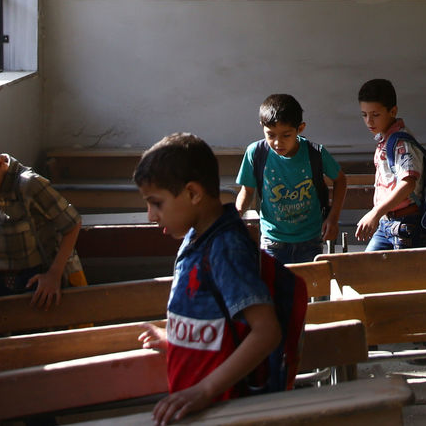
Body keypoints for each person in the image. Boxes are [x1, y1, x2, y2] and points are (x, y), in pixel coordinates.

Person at [134, 133, 284, 425]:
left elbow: (266, 332)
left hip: (222, 410)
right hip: (196, 406)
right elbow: (218, 323)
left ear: (192, 193)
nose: (151, 216)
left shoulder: (225, 246)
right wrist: (173, 338)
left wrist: (204, 390)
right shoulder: (197, 237)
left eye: (156, 203)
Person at [0, 134, 83, 339]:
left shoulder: (28, 185)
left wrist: (54, 275)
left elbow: (72, 224)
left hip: (27, 285)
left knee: (28, 351)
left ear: (0, 163)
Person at [234, 93, 349, 264]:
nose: (278, 143)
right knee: (274, 289)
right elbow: (247, 190)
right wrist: (235, 218)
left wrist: (333, 218)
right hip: (272, 240)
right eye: (271, 135)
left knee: (313, 288)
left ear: (300, 128)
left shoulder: (315, 153)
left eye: (286, 135)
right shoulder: (255, 153)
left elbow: (341, 180)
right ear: (262, 127)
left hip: (310, 239)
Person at [355, 77, 426, 250]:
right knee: (368, 269)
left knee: (403, 275)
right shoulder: (385, 139)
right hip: (386, 222)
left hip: (404, 225)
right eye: (364, 115)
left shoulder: (401, 143)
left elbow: (408, 184)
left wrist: (374, 213)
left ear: (393, 111)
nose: (369, 121)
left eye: (375, 115)